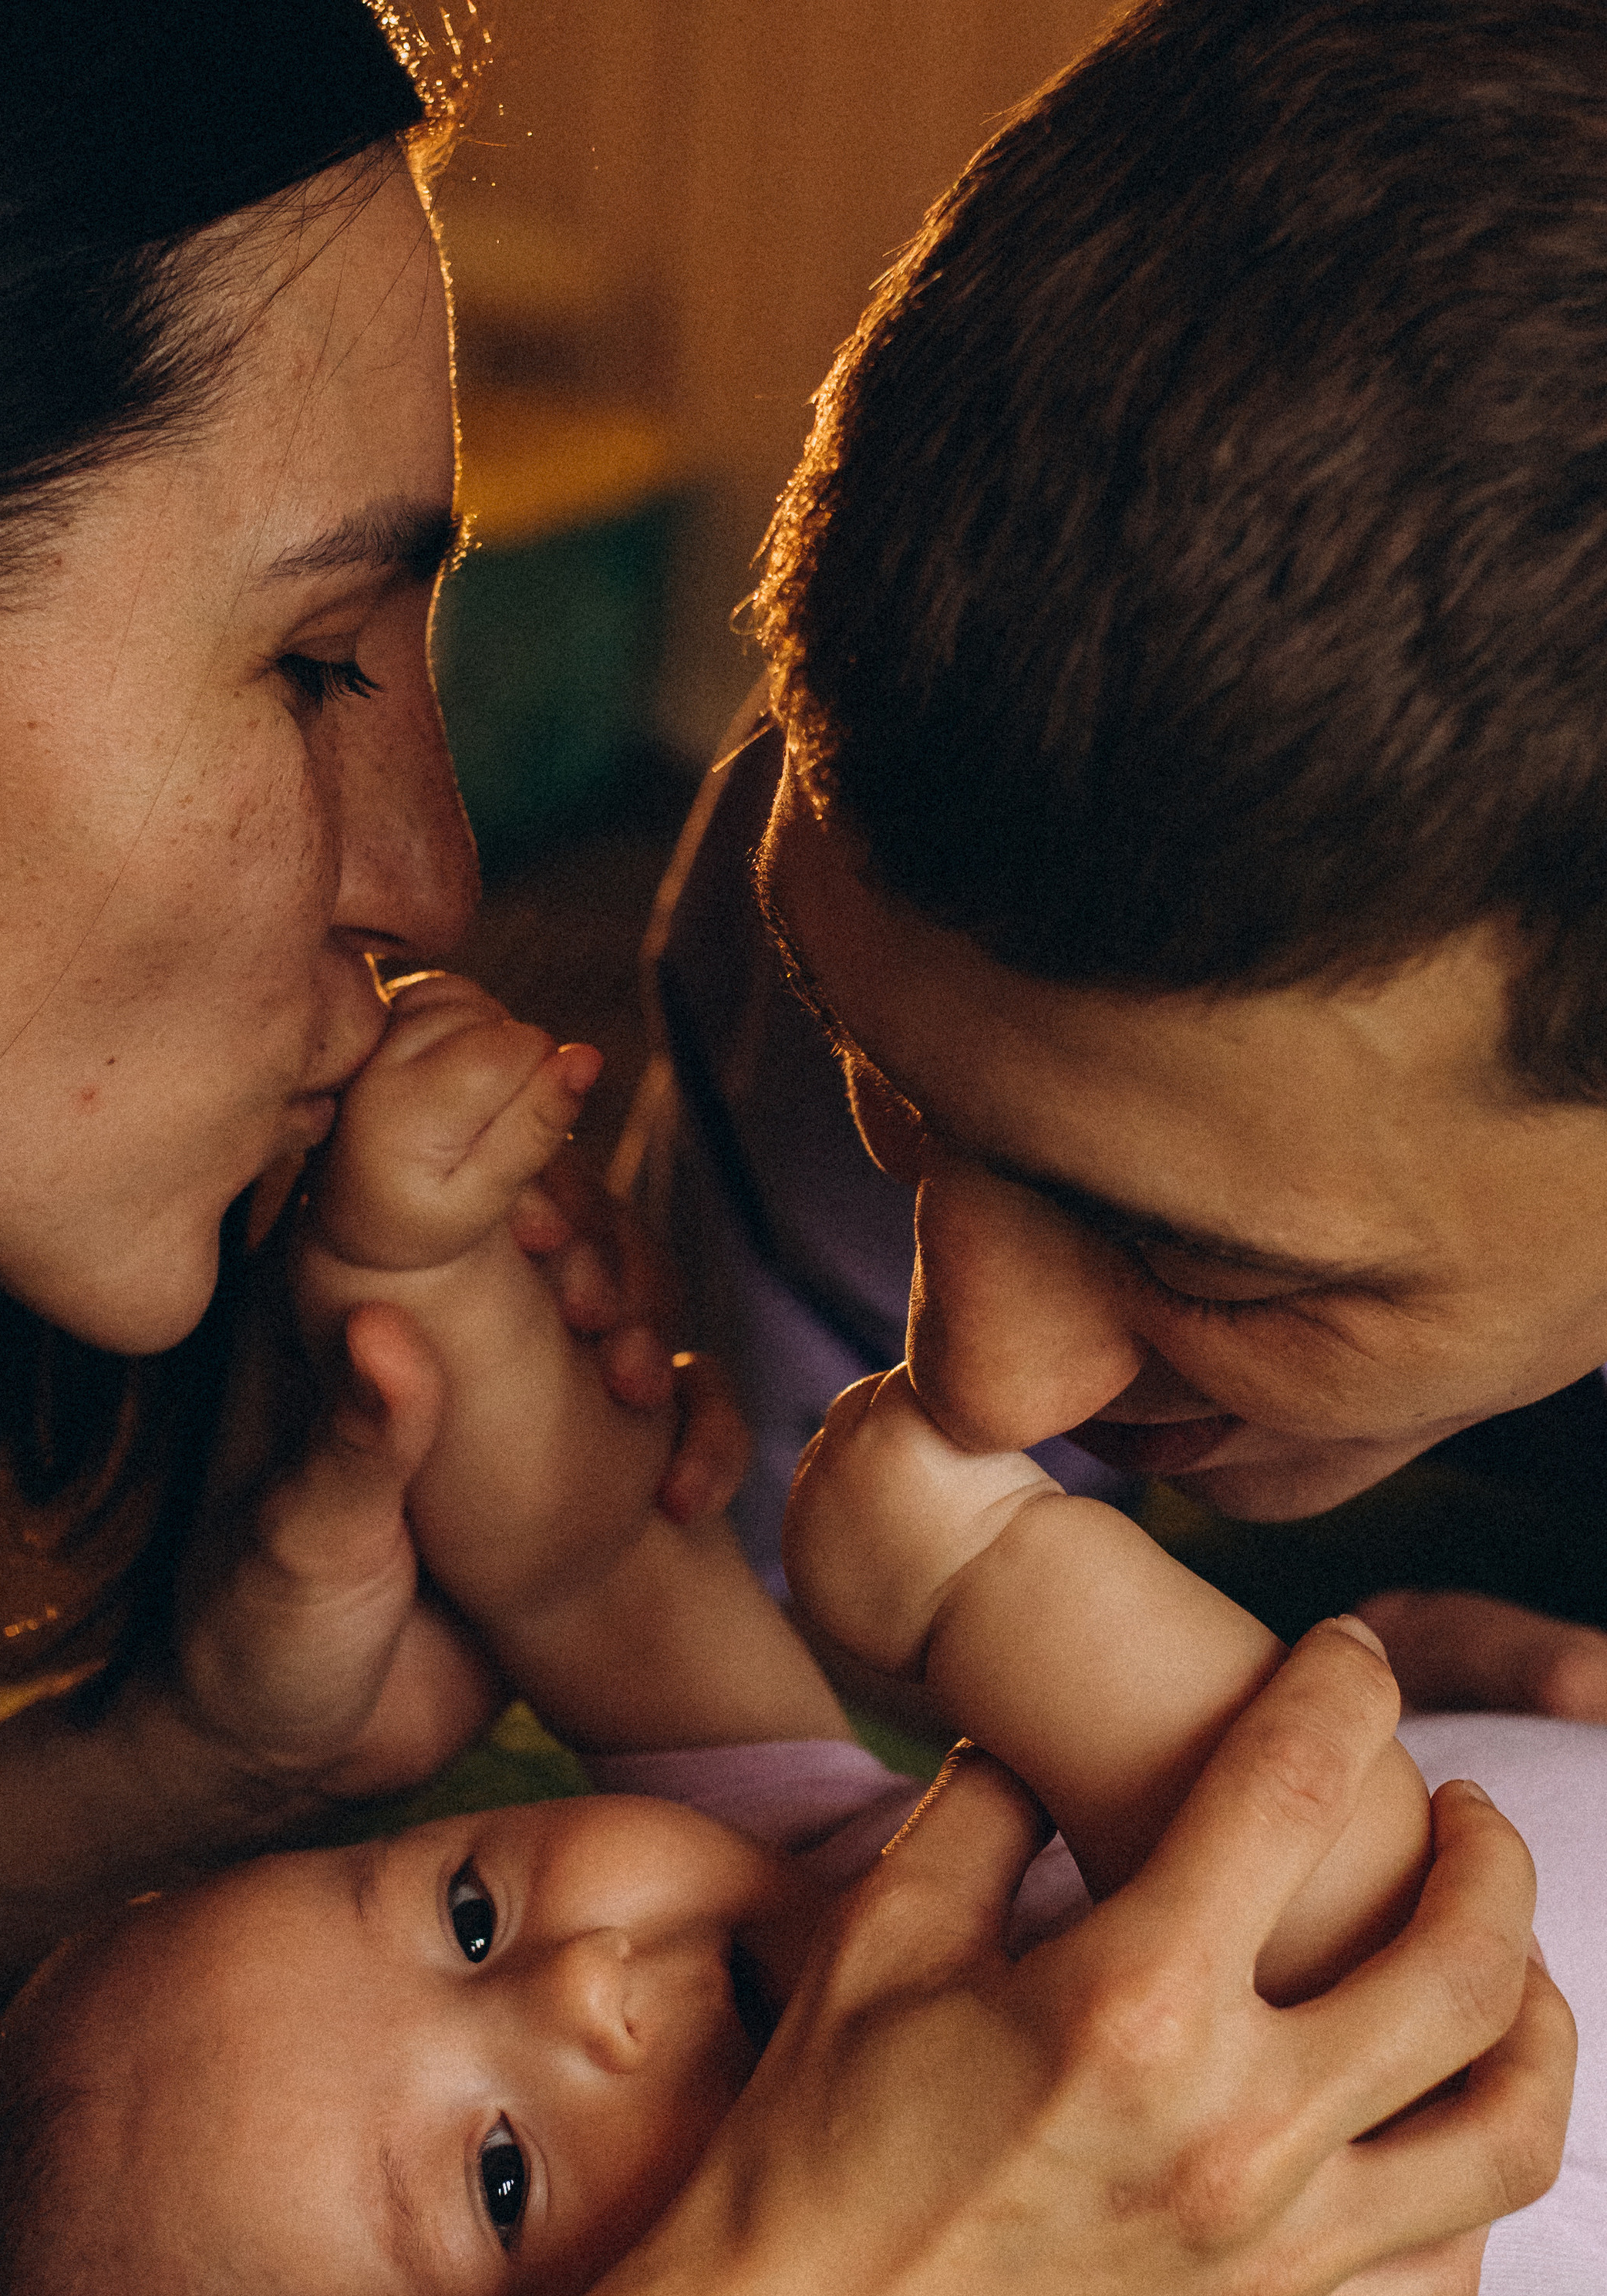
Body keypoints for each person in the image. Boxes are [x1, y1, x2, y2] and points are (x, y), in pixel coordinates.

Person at [0, 4, 1570, 2296]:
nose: (986, 1375)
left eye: (1234, 1262)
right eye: (304, 657)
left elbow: (651, 1592)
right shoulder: (859, 1027)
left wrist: (165, 1776)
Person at [0, 973, 1601, 2296]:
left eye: (465, 1912)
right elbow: (1394, 1944)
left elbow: (582, 1569)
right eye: (500, 2177)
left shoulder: (798, 1904)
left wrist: (409, 1262)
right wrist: (984, 1580)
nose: (584, 1980)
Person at [655, 0, 1607, 1726]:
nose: (977, 1382)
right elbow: (804, 1714)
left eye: (1225, 1271)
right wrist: (1148, 1729)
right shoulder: (916, 873)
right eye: (893, 1092)